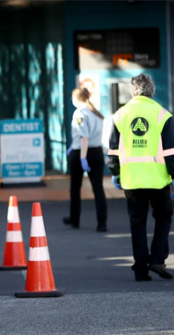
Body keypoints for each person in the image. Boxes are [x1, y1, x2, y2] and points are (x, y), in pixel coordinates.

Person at [108, 73, 174, 282]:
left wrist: (115, 173)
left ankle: (141, 269)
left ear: (133, 92)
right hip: (158, 179)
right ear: (152, 91)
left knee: (137, 224)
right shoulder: (162, 114)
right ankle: (157, 259)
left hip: (131, 179)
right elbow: (171, 150)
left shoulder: (120, 115)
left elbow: (113, 150)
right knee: (163, 217)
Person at [63, 87, 108, 232]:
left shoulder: (80, 113)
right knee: (98, 189)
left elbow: (84, 137)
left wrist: (82, 157)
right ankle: (102, 222)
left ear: (77, 98)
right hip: (96, 152)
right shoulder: (96, 113)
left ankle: (74, 219)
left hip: (82, 152)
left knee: (75, 188)